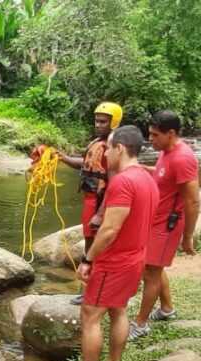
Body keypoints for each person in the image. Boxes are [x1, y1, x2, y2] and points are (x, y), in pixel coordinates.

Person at [60, 126, 159, 361]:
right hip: (135, 257)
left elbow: (110, 229)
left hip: (113, 262)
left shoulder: (124, 182)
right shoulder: (148, 179)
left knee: (90, 315)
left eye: (109, 148)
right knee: (119, 310)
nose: (105, 154)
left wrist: (88, 259)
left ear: (120, 149)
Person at [129, 111, 200, 340]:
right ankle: (167, 308)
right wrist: (141, 169)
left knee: (150, 272)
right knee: (152, 268)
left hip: (167, 225)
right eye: (149, 134)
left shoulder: (183, 158)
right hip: (155, 220)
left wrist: (188, 236)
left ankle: (141, 324)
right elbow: (164, 177)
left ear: (171, 133)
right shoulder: (165, 151)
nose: (151, 139)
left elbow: (192, 200)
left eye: (155, 135)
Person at [59, 102, 123, 305]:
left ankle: (93, 291)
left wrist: (100, 213)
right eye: (97, 120)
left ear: (114, 123)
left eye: (103, 121)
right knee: (89, 244)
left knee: (95, 247)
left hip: (98, 202)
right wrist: (63, 158)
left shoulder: (111, 148)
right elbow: (86, 163)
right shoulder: (97, 142)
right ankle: (90, 289)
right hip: (89, 200)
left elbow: (112, 182)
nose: (98, 124)